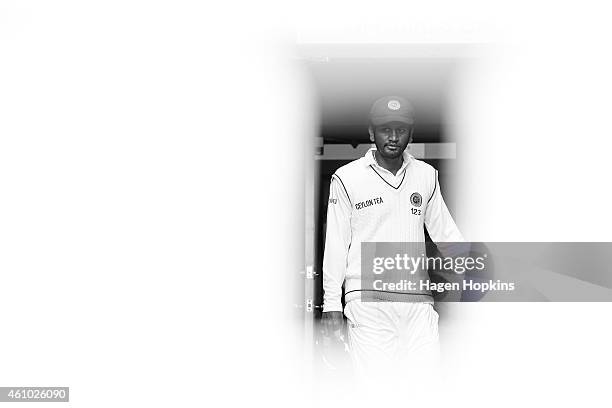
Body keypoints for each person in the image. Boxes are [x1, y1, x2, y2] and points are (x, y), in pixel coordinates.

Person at [321, 96, 464, 379]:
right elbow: (336, 245)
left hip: (418, 305)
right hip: (368, 304)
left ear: (411, 133)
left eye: (401, 129)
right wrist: (331, 306)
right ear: (372, 132)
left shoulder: (426, 176)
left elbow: (447, 236)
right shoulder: (347, 178)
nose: (394, 137)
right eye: (386, 129)